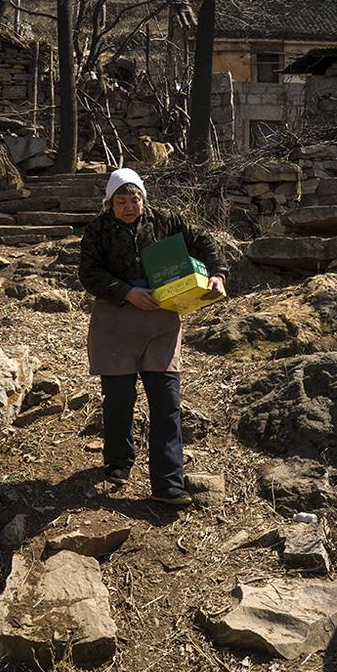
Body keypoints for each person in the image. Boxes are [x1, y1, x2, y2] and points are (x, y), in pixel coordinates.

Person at [79, 167, 227, 506]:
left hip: (161, 320)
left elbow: (203, 240)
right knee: (119, 400)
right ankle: (118, 461)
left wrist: (217, 273)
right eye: (122, 201)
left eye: (135, 199)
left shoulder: (164, 221)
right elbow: (88, 272)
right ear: (109, 202)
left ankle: (168, 485)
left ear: (144, 199)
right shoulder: (98, 231)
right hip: (115, 322)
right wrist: (126, 292)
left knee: (166, 402)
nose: (130, 206)